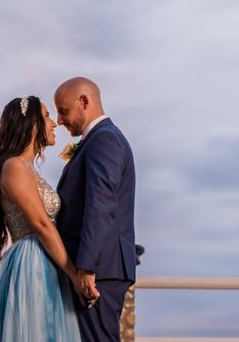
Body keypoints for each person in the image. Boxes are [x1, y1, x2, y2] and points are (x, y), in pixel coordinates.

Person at [0, 95, 85, 341]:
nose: (54, 124)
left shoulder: (27, 169)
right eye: (47, 116)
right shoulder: (14, 167)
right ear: (31, 124)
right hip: (33, 263)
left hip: (47, 261)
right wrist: (73, 273)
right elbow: (40, 223)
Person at [54, 77, 136, 342]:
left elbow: (101, 204)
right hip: (94, 267)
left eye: (63, 111)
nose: (59, 120)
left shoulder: (104, 140)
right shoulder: (100, 140)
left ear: (84, 101)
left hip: (97, 270)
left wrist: (87, 267)